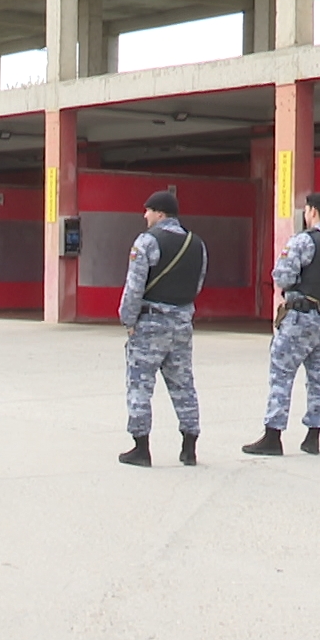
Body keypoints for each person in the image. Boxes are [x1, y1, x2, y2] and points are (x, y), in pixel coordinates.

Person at [244, 191, 320, 457]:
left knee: (281, 374)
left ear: (312, 212)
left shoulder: (304, 241)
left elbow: (282, 277)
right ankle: (313, 437)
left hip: (300, 317)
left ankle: (273, 436)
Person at [117, 190, 208, 467]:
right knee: (183, 384)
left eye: (147, 211)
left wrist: (128, 321)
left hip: (150, 324)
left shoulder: (147, 242)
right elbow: (198, 284)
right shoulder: (197, 244)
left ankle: (141, 448)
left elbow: (134, 287)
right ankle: (189, 446)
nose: (145, 216)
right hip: (181, 324)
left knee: (140, 384)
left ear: (159, 213)